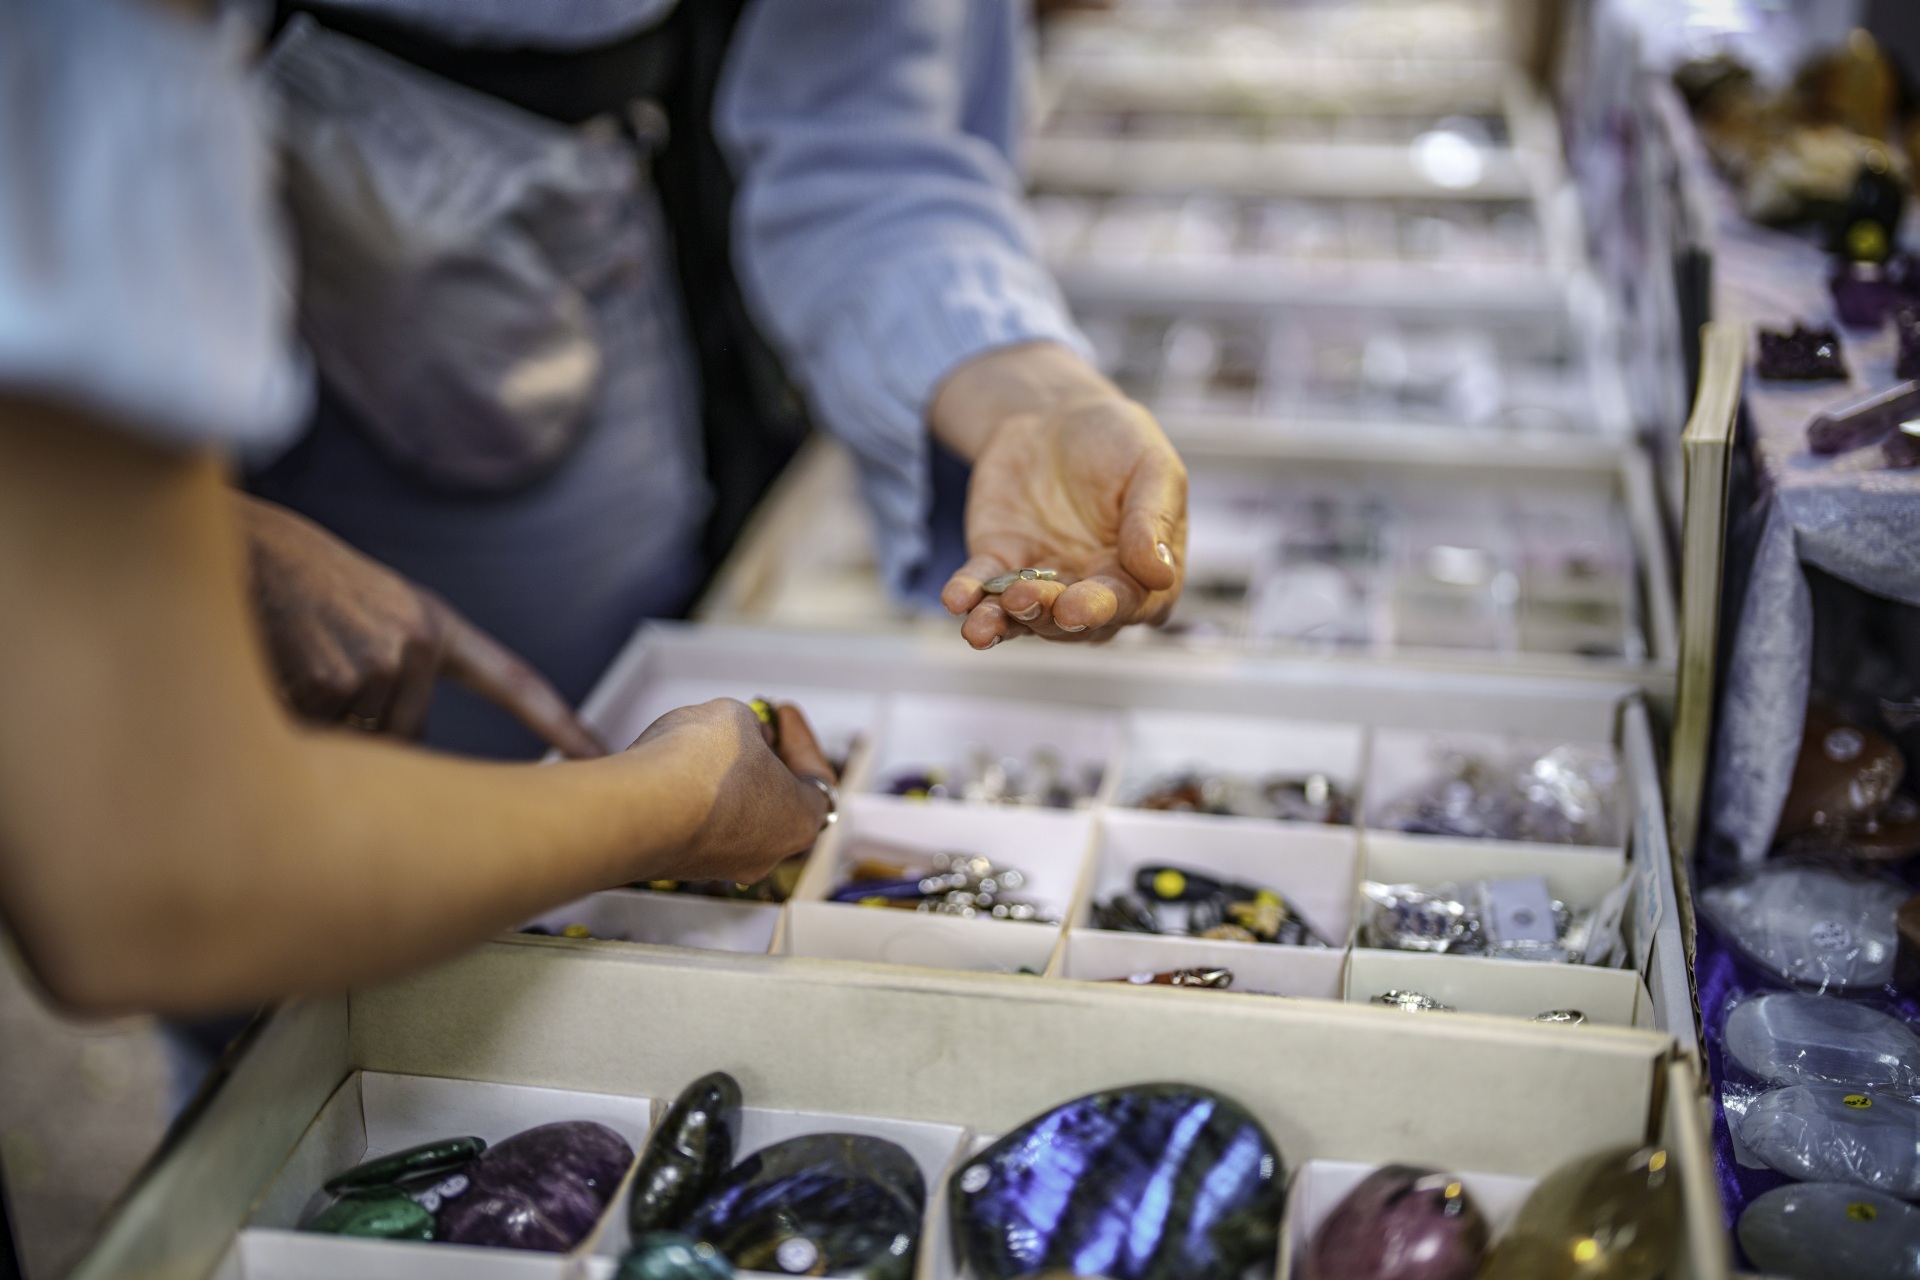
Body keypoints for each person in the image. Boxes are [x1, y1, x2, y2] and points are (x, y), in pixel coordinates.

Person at [236, 0, 1190, 758]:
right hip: (202, 305)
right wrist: (193, 534)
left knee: (559, 735)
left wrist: (1034, 392)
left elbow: (869, 144)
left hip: (536, 313)